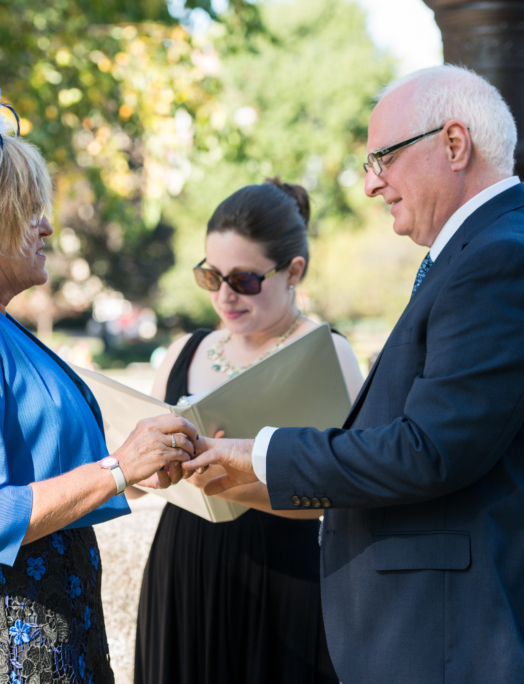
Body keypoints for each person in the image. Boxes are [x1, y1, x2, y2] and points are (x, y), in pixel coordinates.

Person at [186, 64, 524, 684]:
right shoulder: (488, 249)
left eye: (385, 159)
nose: (373, 184)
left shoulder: (505, 258)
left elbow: (427, 450)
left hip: (466, 644)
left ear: (454, 144)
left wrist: (259, 454)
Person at [0, 58, 197, 684]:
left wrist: (136, 473)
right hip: (3, 642)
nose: (47, 225)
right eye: (30, 209)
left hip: (38, 628)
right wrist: (115, 469)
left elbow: (37, 480)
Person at [133, 179, 364, 684]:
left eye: (244, 281)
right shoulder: (184, 351)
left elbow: (353, 487)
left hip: (284, 574)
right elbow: (139, 473)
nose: (224, 296)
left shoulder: (329, 353)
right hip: (184, 566)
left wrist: (237, 481)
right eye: (210, 277)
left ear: (293, 272)